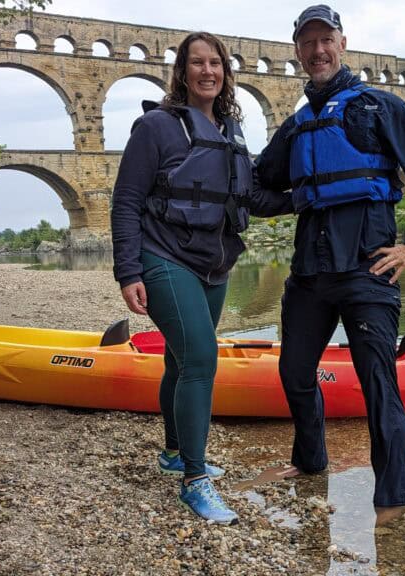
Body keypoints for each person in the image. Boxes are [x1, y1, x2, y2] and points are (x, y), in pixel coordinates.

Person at [254, 5, 405, 509]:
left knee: (378, 387)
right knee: (295, 374)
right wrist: (299, 197)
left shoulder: (378, 107)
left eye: (326, 40)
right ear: (298, 52)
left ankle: (393, 505)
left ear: (342, 44)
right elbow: (257, 189)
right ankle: (310, 462)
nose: (318, 50)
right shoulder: (296, 127)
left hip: (369, 269)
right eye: (308, 43)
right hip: (309, 274)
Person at [110, 31, 292, 524]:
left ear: (226, 73)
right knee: (200, 359)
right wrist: (128, 270)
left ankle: (173, 452)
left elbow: (250, 197)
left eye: (216, 63)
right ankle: (195, 479)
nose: (207, 71)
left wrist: (308, 197)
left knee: (180, 358)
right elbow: (126, 200)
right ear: (182, 72)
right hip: (164, 256)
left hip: (216, 264)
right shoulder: (155, 127)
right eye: (197, 63)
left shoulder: (231, 130)